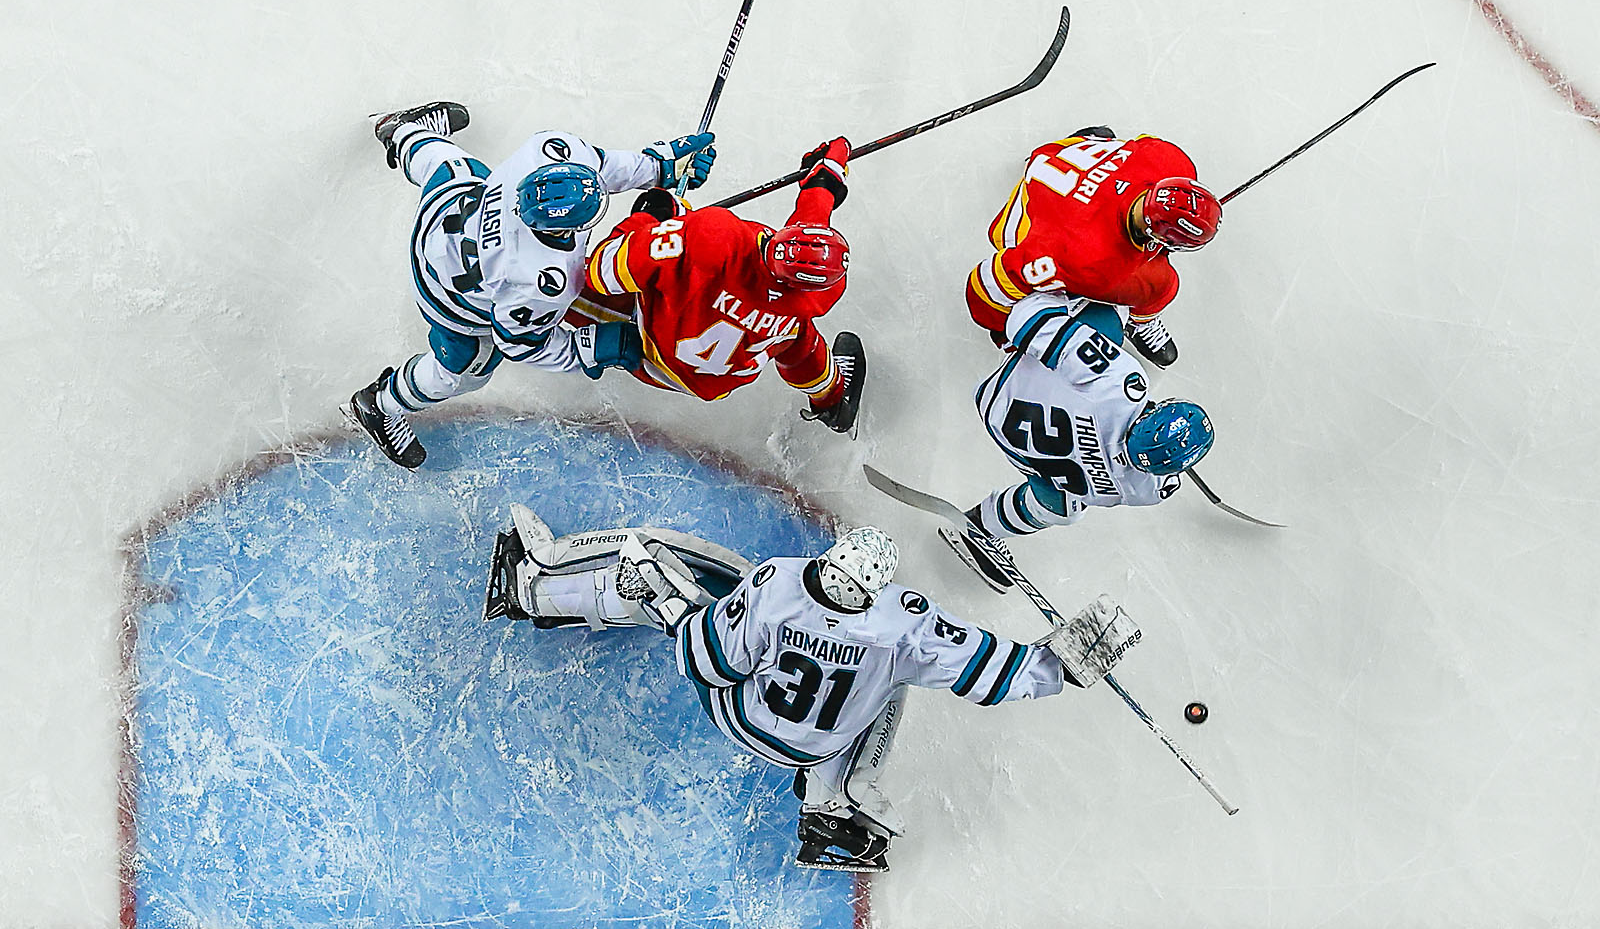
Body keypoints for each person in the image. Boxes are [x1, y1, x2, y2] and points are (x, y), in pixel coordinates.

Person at [484, 508, 1138, 872]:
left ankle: (534, 589)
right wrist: (1057, 668)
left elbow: (710, 664)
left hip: (740, 716)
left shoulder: (777, 584)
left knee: (656, 557)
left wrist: (676, 608)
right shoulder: (901, 624)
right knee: (889, 685)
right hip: (812, 748)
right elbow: (986, 672)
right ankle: (831, 809)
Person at [346, 102, 717, 468]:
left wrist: (659, 166)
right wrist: (595, 347)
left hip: (443, 214)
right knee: (466, 368)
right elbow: (520, 344)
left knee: (453, 169)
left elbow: (600, 166)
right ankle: (382, 403)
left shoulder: (545, 152)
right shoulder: (543, 282)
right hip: (445, 295)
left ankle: (402, 129)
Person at [567, 136, 864, 434]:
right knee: (796, 335)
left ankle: (530, 316)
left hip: (655, 351)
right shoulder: (819, 290)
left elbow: (601, 270)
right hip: (718, 380)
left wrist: (651, 216)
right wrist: (824, 180)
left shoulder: (715, 238)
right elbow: (808, 239)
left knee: (566, 284)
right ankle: (833, 401)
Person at [943, 292, 1214, 593]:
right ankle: (980, 527)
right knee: (1064, 509)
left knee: (1112, 310)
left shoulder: (1122, 385)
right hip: (1024, 455)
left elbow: (1027, 318)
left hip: (1000, 394)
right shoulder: (1147, 490)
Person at [964, 126, 1221, 367]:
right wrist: (1001, 329)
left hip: (1059, 157)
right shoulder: (1090, 262)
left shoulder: (1172, 160)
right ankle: (1140, 320)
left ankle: (1092, 138)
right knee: (1159, 285)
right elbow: (993, 280)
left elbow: (1138, 147)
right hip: (1030, 215)